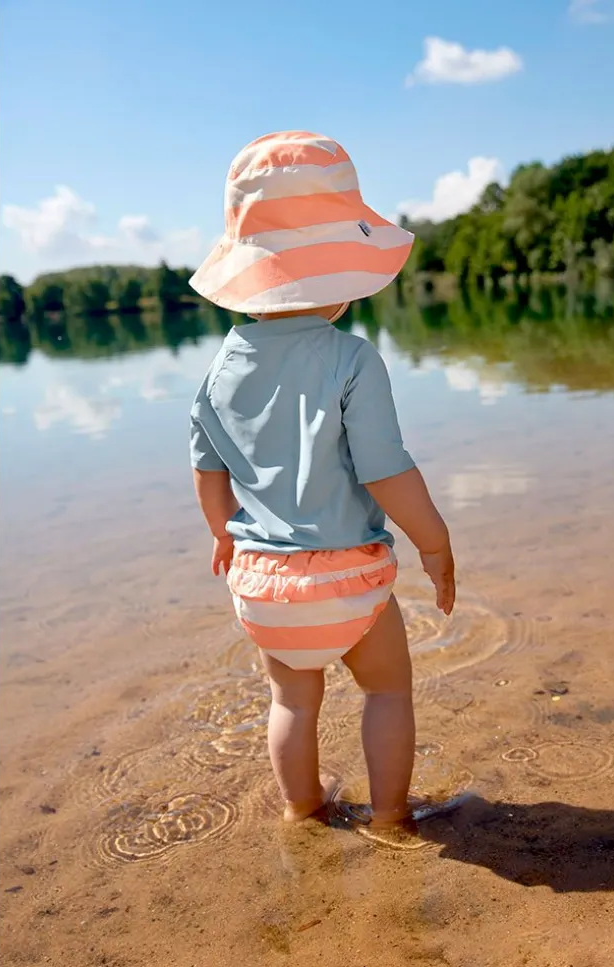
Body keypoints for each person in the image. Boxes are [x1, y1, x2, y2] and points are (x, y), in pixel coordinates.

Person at [187, 131, 455, 829]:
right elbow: (386, 470)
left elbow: (208, 468)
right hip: (346, 577)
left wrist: (222, 534)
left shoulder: (219, 370)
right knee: (388, 691)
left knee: (291, 701)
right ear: (341, 281)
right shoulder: (352, 359)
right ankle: (390, 815)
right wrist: (433, 541)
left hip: (264, 585)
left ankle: (302, 809)